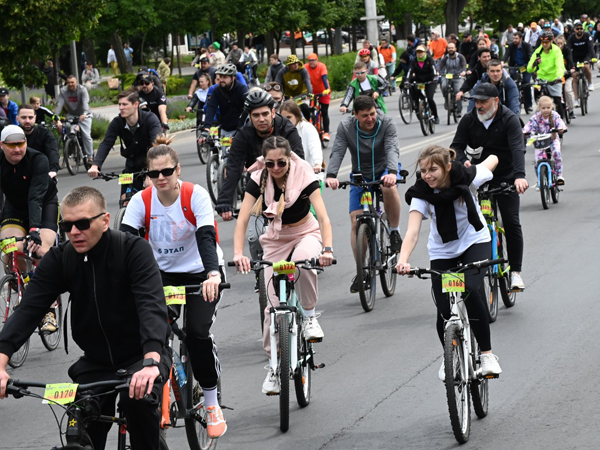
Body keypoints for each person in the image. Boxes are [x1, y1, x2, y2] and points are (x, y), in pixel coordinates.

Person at [0, 186, 171, 450]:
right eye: (67, 226)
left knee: (137, 402)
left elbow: (151, 305)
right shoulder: (61, 258)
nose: (75, 232)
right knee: (78, 425)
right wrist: (1, 360)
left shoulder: (133, 250)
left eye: (82, 223)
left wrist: (151, 360)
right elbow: (29, 309)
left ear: (104, 221)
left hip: (142, 356)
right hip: (95, 362)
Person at [120, 136, 227, 438]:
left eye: (167, 171)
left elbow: (207, 237)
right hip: (161, 276)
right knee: (152, 334)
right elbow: (125, 243)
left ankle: (210, 401)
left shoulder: (196, 195)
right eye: (154, 174)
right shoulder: (141, 201)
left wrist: (213, 274)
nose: (161, 178)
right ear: (148, 176)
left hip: (199, 274)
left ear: (178, 170)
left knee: (196, 334)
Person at [232, 136, 333, 394]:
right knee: (272, 310)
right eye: (270, 163)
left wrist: (328, 249)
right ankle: (274, 366)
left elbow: (322, 216)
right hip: (275, 239)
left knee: (303, 262)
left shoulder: (303, 173)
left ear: (290, 158)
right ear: (264, 162)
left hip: (305, 233)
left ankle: (309, 316)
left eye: (281, 162)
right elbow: (242, 220)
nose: (276, 168)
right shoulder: (258, 179)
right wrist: (238, 253)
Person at [396, 146, 503, 380]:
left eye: (433, 169)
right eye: (423, 170)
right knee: (443, 309)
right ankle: (451, 355)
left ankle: (486, 354)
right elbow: (412, 232)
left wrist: (483, 161)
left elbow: (493, 159)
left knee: (470, 289)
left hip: (474, 241)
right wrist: (402, 260)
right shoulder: (421, 193)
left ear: (446, 167)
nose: (427, 175)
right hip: (443, 250)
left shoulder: (467, 176)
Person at [450, 83, 527, 291]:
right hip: (478, 176)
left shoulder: (509, 119)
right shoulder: (469, 119)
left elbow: (518, 149)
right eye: (476, 101)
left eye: (483, 101)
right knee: (468, 222)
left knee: (511, 222)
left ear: (496, 101)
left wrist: (519, 177)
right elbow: (456, 146)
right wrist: (464, 159)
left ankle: (515, 273)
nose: (479, 105)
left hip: (506, 177)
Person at [326, 96, 402, 292]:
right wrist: (332, 175)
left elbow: (392, 148)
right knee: (355, 221)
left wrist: (392, 173)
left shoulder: (387, 123)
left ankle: (394, 231)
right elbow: (338, 151)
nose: (370, 119)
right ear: (355, 115)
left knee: (388, 188)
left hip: (386, 170)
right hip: (360, 174)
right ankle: (363, 271)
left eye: (372, 114)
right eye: (365, 116)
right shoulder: (346, 127)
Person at [215, 90, 304, 221]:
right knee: (255, 239)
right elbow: (234, 168)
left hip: (286, 186)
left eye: (265, 114)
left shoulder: (287, 129)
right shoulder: (243, 135)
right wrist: (224, 200)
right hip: (258, 189)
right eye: (256, 115)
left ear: (273, 113)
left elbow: (299, 162)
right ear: (249, 117)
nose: (261, 119)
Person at [88, 89, 162, 199]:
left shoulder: (150, 119)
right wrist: (95, 165)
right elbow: (106, 143)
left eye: (124, 104)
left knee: (150, 187)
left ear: (135, 104)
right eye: (119, 104)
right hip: (131, 165)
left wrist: (152, 171)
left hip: (150, 162)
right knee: (125, 198)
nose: (121, 108)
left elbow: (157, 145)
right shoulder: (117, 122)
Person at [522, 96, 566, 184]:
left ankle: (559, 175)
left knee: (557, 153)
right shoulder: (536, 117)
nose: (546, 110)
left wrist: (561, 128)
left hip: (552, 139)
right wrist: (524, 132)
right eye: (543, 108)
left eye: (548, 108)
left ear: (552, 107)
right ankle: (540, 181)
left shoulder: (554, 115)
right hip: (540, 142)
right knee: (537, 162)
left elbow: (560, 123)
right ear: (539, 108)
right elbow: (529, 125)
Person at [55, 75, 93, 166]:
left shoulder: (82, 90)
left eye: (72, 82)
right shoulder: (63, 91)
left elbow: (85, 103)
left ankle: (90, 156)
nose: (70, 84)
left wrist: (84, 113)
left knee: (86, 135)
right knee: (67, 129)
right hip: (71, 115)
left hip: (84, 114)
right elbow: (59, 105)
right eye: (68, 82)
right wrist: (55, 117)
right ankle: (71, 147)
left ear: (76, 82)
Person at [202, 63, 249, 138]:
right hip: (226, 128)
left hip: (241, 128)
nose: (221, 80)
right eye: (220, 77)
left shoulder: (241, 89)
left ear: (233, 78)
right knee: (223, 149)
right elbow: (211, 108)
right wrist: (207, 128)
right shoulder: (217, 90)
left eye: (225, 77)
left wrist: (241, 127)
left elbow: (248, 107)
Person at [280, 100, 323, 179]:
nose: (286, 121)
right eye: (284, 118)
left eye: (289, 117)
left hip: (310, 174)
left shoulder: (308, 128)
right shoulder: (280, 130)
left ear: (297, 116)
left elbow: (314, 146)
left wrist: (317, 163)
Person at [528, 30, 566, 118]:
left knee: (557, 100)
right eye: (542, 42)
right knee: (538, 98)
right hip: (541, 78)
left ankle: (560, 123)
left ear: (551, 41)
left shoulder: (556, 50)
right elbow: (529, 69)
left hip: (555, 78)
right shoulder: (538, 51)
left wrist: (559, 76)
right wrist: (535, 63)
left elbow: (560, 65)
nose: (544, 44)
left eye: (546, 42)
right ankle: (539, 120)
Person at [17, 105, 60, 177]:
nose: (27, 121)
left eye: (30, 117)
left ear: (35, 118)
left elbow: (52, 151)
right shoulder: (12, 134)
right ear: (17, 118)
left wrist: (53, 170)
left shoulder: (45, 133)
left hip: (41, 173)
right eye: (23, 117)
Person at [407, 44, 439, 124]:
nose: (420, 54)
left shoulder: (429, 59)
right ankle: (419, 111)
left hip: (430, 81)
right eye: (418, 52)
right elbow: (410, 71)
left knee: (430, 98)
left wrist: (435, 77)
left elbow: (433, 69)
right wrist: (407, 80)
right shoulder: (414, 61)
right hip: (419, 82)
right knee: (416, 96)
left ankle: (435, 116)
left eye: (421, 52)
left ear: (425, 52)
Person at [503, 31, 534, 112]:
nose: (515, 40)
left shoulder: (527, 46)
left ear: (521, 39)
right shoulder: (511, 46)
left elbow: (531, 55)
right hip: (515, 66)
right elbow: (507, 54)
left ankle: (529, 104)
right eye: (514, 38)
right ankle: (512, 102)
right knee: (513, 82)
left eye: (516, 38)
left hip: (525, 66)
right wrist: (502, 62)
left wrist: (530, 64)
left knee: (526, 83)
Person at [275, 55, 313, 119]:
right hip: (288, 97)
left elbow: (307, 82)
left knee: (304, 108)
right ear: (289, 65)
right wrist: (277, 94)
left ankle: (307, 124)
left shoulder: (303, 70)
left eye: (297, 63)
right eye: (293, 64)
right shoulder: (282, 72)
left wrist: (309, 93)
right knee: (283, 111)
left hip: (301, 95)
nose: (296, 65)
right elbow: (277, 84)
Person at [305, 53, 332, 141]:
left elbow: (324, 78)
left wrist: (327, 89)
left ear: (317, 60)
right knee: (309, 110)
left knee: (324, 111)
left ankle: (326, 132)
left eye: (313, 60)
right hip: (312, 91)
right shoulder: (305, 67)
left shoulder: (321, 66)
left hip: (323, 91)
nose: (311, 62)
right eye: (310, 61)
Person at [567, 21, 595, 101]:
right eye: (577, 29)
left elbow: (591, 48)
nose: (579, 30)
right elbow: (568, 49)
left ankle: (590, 83)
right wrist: (569, 61)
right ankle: (576, 99)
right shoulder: (571, 38)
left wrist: (593, 57)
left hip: (586, 56)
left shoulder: (587, 35)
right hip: (575, 57)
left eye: (581, 28)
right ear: (574, 30)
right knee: (575, 76)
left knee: (586, 66)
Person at [438, 42, 467, 116]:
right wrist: (438, 72)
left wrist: (463, 72)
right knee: (444, 86)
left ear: (455, 49)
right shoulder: (445, 57)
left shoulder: (460, 57)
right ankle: (447, 101)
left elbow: (464, 65)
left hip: (458, 76)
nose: (450, 49)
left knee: (458, 91)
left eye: (452, 48)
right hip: (448, 76)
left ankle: (459, 110)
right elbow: (440, 65)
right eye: (449, 48)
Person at [556, 35, 576, 118]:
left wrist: (572, 68)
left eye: (561, 43)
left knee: (568, 91)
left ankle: (571, 109)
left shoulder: (567, 50)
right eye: (558, 43)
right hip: (556, 76)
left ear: (564, 43)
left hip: (567, 74)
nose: (560, 45)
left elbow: (570, 60)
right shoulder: (553, 51)